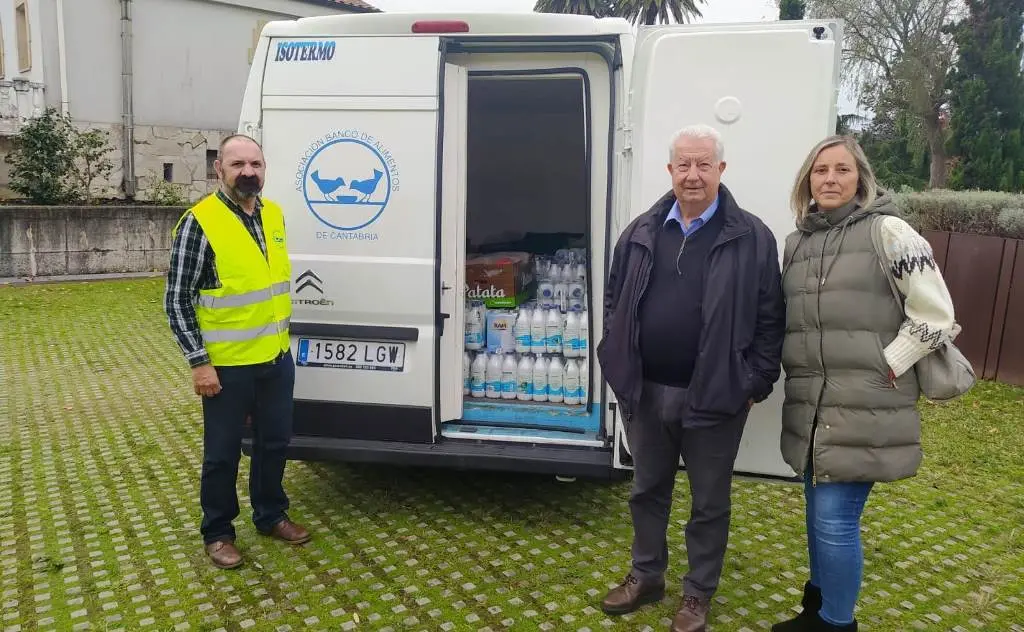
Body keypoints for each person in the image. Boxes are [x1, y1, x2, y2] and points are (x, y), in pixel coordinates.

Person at [597, 124, 786, 632]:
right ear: (670, 170)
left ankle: (697, 595)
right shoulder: (640, 230)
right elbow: (614, 300)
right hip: (646, 390)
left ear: (721, 170)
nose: (693, 175)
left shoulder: (751, 236)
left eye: (704, 164)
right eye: (684, 164)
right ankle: (646, 576)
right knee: (646, 490)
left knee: (708, 502)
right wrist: (614, 358)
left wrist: (754, 383)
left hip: (715, 397)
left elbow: (771, 319)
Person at [773, 135, 959, 632]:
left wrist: (890, 363)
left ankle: (837, 624)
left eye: (842, 170)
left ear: (861, 178)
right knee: (817, 517)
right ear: (807, 181)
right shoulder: (798, 243)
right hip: (811, 408)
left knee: (834, 521)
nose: (830, 179)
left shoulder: (891, 232)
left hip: (868, 403)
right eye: (820, 171)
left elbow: (936, 315)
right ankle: (815, 611)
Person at [164, 134, 310, 570]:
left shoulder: (275, 215)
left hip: (274, 359)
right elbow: (177, 299)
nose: (248, 172)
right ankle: (219, 532)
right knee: (223, 452)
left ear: (264, 168)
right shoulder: (200, 221)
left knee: (274, 443)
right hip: (226, 367)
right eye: (238, 164)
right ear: (219, 170)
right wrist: (198, 362)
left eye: (256, 164)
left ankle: (270, 515)